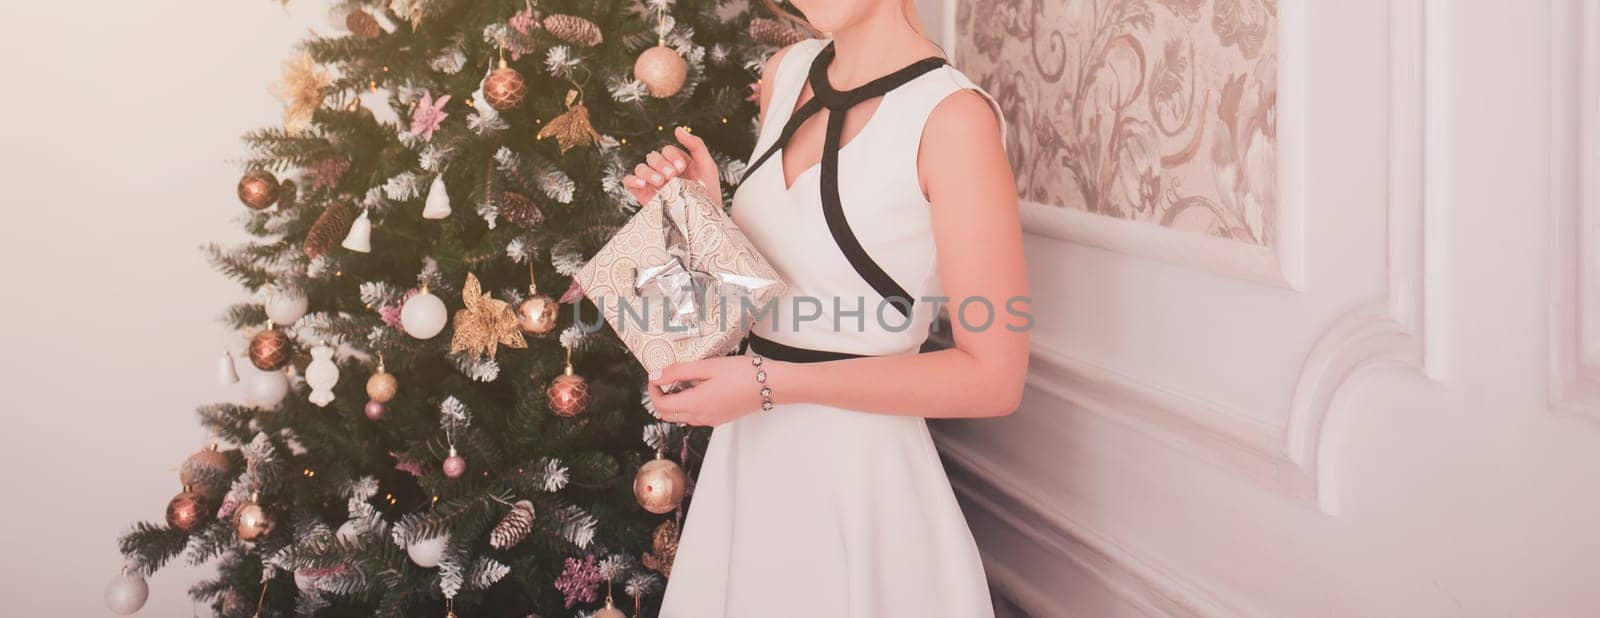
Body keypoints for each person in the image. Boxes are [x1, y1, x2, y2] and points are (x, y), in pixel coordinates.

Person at [621, 0, 1028, 614]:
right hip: (747, 467)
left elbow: (993, 377)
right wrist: (703, 218)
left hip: (859, 484)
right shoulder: (787, 71)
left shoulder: (953, 119)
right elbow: (782, 294)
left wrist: (765, 383)